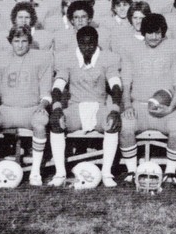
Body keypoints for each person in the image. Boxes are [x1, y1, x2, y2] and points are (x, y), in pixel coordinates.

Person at [47, 26, 123, 187]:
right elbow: (57, 86)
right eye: (83, 44)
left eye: (91, 44)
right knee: (57, 122)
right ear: (78, 43)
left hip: (98, 107)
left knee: (112, 123)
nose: (87, 48)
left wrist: (115, 109)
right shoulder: (68, 59)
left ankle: (106, 173)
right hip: (76, 108)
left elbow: (116, 85)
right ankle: (60, 173)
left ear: (97, 42)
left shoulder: (108, 58)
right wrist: (57, 107)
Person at [0, 26, 53, 187]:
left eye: (24, 41)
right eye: (16, 41)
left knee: (41, 120)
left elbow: (46, 91)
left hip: (31, 108)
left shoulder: (42, 58)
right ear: (10, 42)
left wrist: (42, 105)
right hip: (7, 109)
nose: (20, 45)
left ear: (30, 42)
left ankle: (35, 172)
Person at [119, 14, 176, 184]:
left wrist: (171, 108)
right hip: (139, 106)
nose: (154, 37)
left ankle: (170, 172)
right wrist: (127, 106)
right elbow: (126, 84)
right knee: (126, 126)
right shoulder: (131, 48)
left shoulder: (174, 48)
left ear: (163, 32)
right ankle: (131, 171)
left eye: (157, 32)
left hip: (164, 108)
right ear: (143, 32)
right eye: (150, 33)